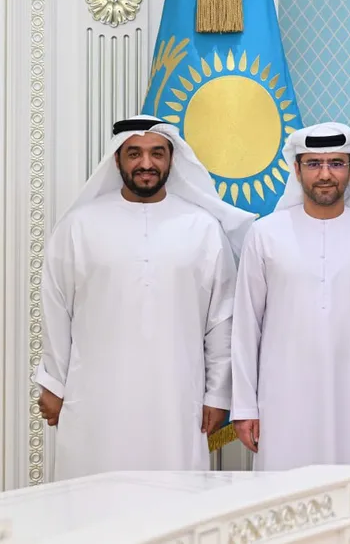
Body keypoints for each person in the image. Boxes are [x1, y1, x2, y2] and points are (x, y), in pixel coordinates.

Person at [34, 115, 255, 481]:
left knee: (173, 496)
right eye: (134, 153)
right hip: (95, 399)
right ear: (117, 159)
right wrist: (53, 384)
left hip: (175, 398)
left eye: (157, 153)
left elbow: (221, 319)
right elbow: (56, 309)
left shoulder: (202, 227)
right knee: (93, 497)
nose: (146, 163)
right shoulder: (78, 226)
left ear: (171, 159)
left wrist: (217, 394)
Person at [230, 123, 350, 470]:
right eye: (313, 164)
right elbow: (246, 328)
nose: (325, 174)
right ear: (297, 170)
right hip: (279, 407)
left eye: (336, 163)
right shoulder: (264, 235)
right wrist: (245, 407)